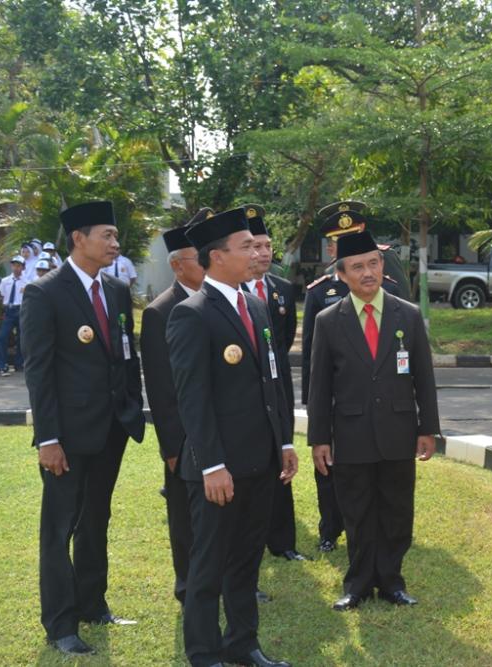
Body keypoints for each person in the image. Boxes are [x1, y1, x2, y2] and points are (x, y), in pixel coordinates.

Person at [166, 207, 296, 667]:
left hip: (260, 461)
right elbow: (192, 399)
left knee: (245, 560)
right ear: (217, 256)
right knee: (208, 566)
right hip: (219, 468)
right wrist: (211, 464)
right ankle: (204, 653)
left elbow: (272, 380)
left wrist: (284, 442)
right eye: (246, 246)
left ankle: (242, 643)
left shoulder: (256, 305)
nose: (256, 253)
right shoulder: (191, 314)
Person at [21, 200, 146, 656]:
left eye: (115, 235)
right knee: (59, 528)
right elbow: (39, 372)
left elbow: (125, 352)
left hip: (111, 427)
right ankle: (61, 624)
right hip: (68, 435)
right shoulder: (44, 293)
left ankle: (93, 603)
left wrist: (130, 405)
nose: (116, 243)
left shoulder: (115, 289)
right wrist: (48, 439)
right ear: (79, 239)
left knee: (96, 518)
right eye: (106, 235)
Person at [307, 228, 441, 611]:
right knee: (357, 511)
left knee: (397, 509)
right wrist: (319, 438)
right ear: (341, 274)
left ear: (382, 265)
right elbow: (319, 386)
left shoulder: (407, 315)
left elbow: (424, 377)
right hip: (351, 434)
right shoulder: (328, 321)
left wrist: (428, 428)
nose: (366, 273)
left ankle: (392, 581)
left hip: (399, 430)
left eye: (372, 264)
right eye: (356, 267)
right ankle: (358, 584)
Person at [301, 204, 405, 553]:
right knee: (329, 465)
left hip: (379, 397)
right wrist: (314, 407)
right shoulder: (319, 292)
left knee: (380, 464)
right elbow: (311, 359)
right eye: (339, 241)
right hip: (336, 399)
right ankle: (330, 528)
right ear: (332, 249)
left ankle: (379, 527)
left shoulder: (391, 288)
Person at [140, 211, 209, 606]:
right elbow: (160, 388)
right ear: (177, 265)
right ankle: (187, 584)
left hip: (217, 429)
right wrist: (171, 446)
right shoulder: (160, 312)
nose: (206, 263)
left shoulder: (214, 301)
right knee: (184, 516)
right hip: (182, 437)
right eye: (199, 258)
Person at [241, 204, 307, 562]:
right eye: (255, 246)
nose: (264, 252)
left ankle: (283, 542)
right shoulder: (231, 290)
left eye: (267, 245)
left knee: (283, 455)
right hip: (246, 395)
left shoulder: (281, 289)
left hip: (278, 388)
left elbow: (282, 342)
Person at [0, 255, 28, 372]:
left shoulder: (27, 282)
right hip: (9, 310)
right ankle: (2, 363)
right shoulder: (5, 281)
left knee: (21, 337)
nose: (16, 268)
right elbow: (2, 296)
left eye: (19, 266)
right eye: (14, 265)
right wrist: (3, 311)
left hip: (21, 309)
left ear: (23, 267)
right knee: (2, 336)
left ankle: (18, 363)